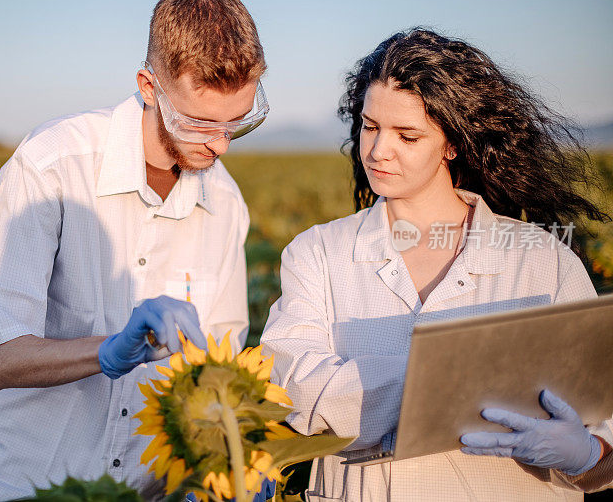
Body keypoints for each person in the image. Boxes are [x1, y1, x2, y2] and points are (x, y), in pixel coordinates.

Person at [260, 28, 613, 501]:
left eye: (407, 135)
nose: (379, 150)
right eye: (369, 126)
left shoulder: (544, 261)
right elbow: (294, 390)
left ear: (452, 144)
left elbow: (601, 413)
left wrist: (589, 455)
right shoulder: (318, 254)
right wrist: (460, 380)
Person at [0, 0, 270, 501]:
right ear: (149, 86)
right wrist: (108, 350)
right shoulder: (52, 168)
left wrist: (230, 464)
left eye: (238, 123)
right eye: (199, 123)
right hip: (24, 484)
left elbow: (220, 362)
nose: (220, 146)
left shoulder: (226, 203)